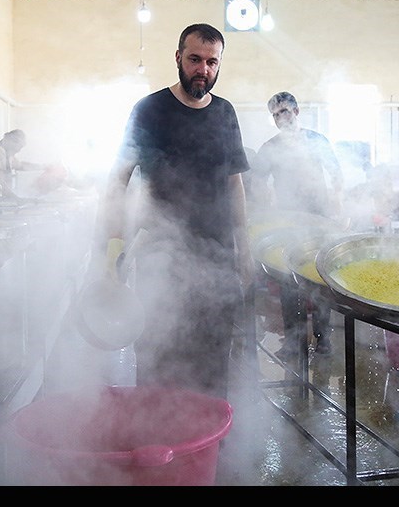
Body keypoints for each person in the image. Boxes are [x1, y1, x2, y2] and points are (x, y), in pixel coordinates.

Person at [98, 23, 253, 399]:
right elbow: (118, 181)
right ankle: (157, 440)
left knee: (214, 358)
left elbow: (234, 183)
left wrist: (245, 248)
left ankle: (207, 443)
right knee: (158, 352)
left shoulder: (225, 113)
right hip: (159, 256)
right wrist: (112, 247)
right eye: (195, 59)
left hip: (216, 256)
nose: (203, 70)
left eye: (212, 62)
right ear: (178, 58)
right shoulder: (149, 110)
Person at [252, 91, 344, 356]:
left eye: (285, 112)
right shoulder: (270, 148)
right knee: (287, 277)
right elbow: (258, 182)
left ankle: (323, 339)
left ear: (297, 111)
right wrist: (265, 206)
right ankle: (294, 340)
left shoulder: (316, 141)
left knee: (320, 277)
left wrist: (338, 209)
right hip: (288, 220)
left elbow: (336, 175)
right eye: (276, 115)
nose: (282, 118)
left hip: (319, 218)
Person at [0, 129, 47, 200]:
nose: (18, 150)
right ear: (10, 141)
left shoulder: (7, 153)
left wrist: (43, 166)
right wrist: (15, 198)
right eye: (19, 147)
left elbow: (21, 165)